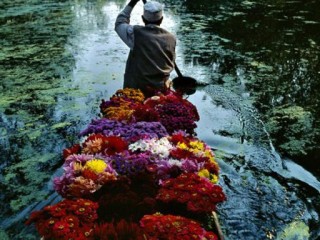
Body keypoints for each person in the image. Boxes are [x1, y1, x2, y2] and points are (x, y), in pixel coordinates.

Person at [115, 0, 176, 96]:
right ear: (161, 19)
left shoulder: (134, 33)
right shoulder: (171, 38)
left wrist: (133, 2)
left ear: (143, 18)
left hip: (135, 91)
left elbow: (119, 22)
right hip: (160, 90)